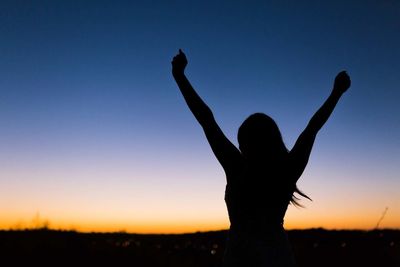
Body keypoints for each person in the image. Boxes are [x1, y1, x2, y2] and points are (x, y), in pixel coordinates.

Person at [171, 49, 351, 267]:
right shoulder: (286, 170)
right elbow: (312, 129)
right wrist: (336, 93)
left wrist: (180, 77)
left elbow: (206, 120)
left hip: (242, 258)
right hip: (277, 258)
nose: (240, 148)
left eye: (243, 142)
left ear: (252, 143)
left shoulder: (237, 167)